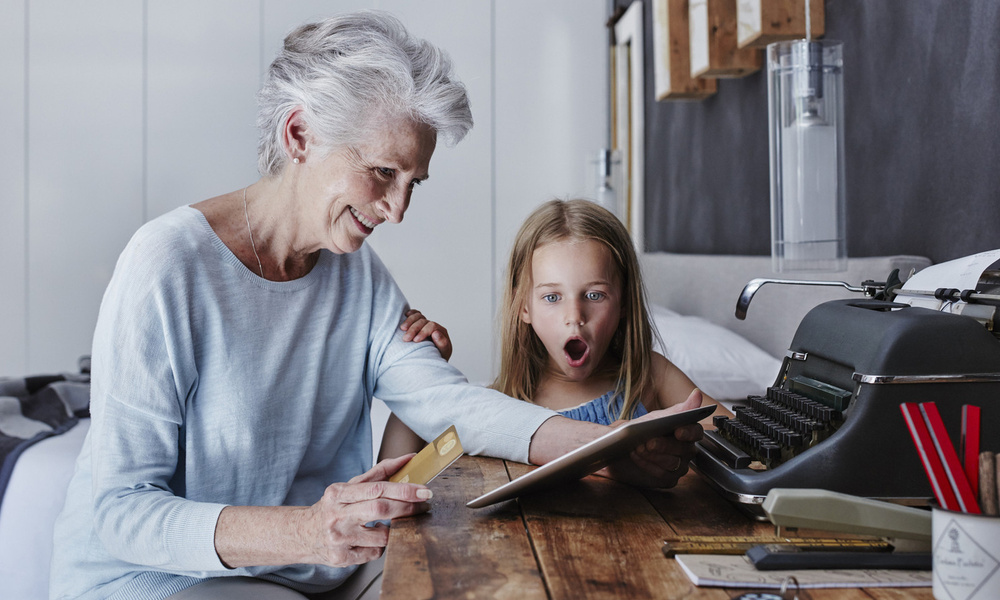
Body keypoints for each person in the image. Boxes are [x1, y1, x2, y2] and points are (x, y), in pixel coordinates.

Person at [49, 12, 703, 600]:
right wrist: (306, 531)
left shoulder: (359, 278)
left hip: (313, 568)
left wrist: (606, 446)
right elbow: (122, 512)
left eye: (412, 182)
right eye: (383, 173)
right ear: (300, 133)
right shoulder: (166, 265)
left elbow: (449, 408)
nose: (397, 210)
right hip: (161, 579)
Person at [381, 199, 724, 460]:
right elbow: (396, 471)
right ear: (524, 307)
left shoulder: (650, 377)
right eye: (552, 297)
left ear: (623, 303)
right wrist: (422, 372)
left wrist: (682, 440)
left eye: (594, 295)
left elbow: (734, 439)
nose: (574, 316)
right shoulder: (500, 406)